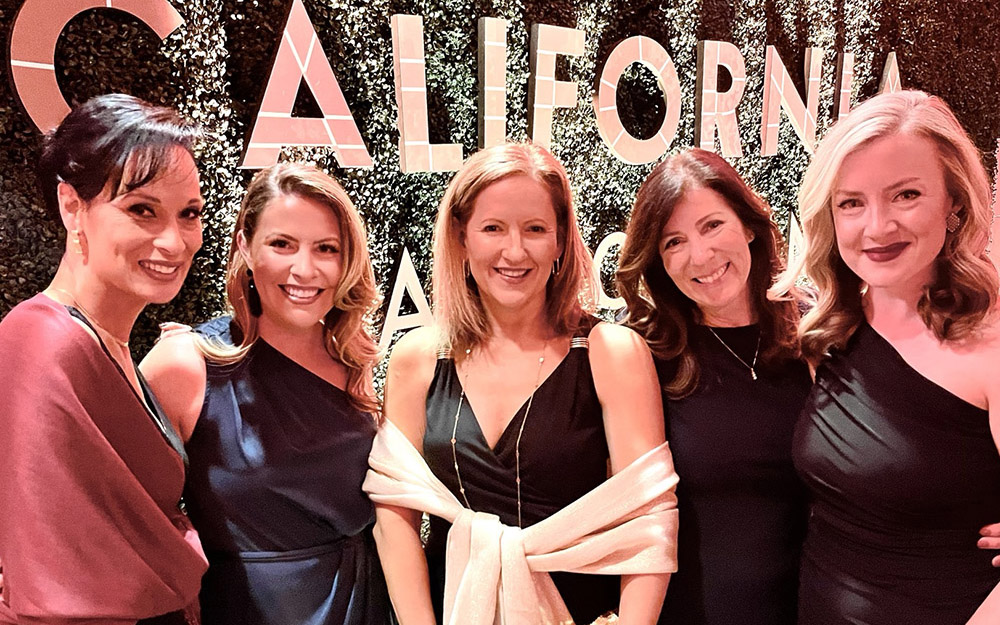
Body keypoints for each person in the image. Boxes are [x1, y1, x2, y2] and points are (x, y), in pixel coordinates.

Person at [364, 142, 679, 625]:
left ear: (560, 242)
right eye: (493, 228)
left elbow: (649, 522)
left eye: (535, 230)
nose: (515, 251)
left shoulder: (609, 353)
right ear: (461, 237)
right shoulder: (418, 358)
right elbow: (395, 518)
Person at [781, 89, 1000, 623]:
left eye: (905, 195)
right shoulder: (834, 326)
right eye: (851, 202)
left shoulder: (992, 342)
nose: (877, 227)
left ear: (955, 203)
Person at [139, 163, 391, 625]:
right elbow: (131, 524)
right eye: (282, 244)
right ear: (245, 248)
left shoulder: (354, 358)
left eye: (326, 249)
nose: (305, 269)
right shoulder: (186, 364)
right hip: (249, 610)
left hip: (368, 603)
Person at [0, 94, 208, 623]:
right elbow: (54, 584)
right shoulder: (41, 344)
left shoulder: (109, 343)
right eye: (142, 210)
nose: (174, 240)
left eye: (189, 215)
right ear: (72, 206)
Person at [616, 148, 811, 625]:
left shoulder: (815, 327)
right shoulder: (641, 350)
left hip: (814, 606)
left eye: (712, 226)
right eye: (673, 242)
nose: (699, 256)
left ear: (748, 225)